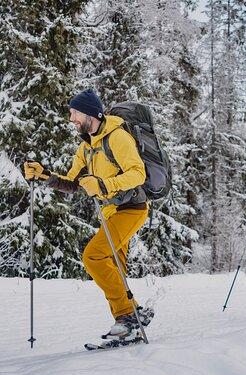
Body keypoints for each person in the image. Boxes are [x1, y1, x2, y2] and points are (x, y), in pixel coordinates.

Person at [23, 88, 153, 338]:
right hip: (111, 212)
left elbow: (138, 173)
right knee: (114, 268)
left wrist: (105, 185)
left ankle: (126, 315)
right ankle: (134, 316)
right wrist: (44, 175)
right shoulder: (86, 147)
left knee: (93, 256)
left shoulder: (117, 137)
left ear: (90, 114)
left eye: (75, 113)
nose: (71, 118)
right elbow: (73, 183)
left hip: (131, 208)